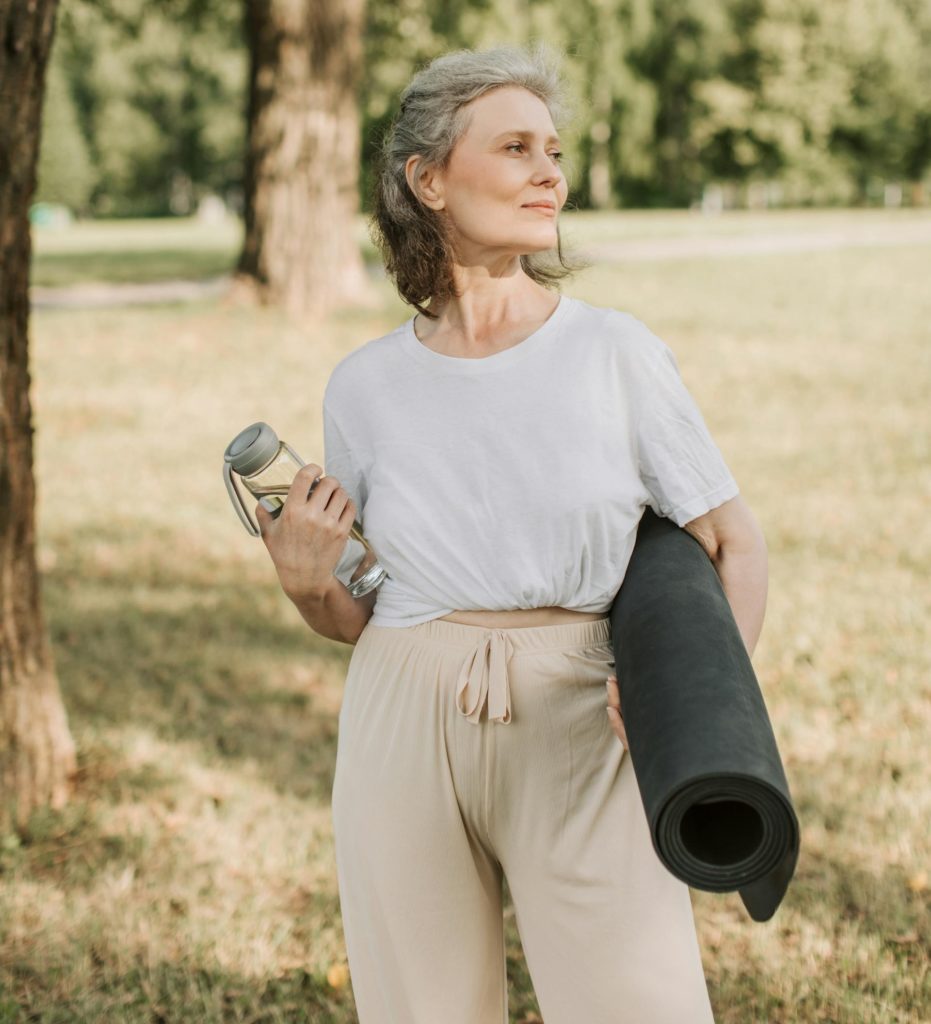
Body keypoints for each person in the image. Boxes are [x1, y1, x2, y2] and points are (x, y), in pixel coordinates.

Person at [256, 43, 768, 1024]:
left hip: (583, 710)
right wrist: (306, 580)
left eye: (554, 152)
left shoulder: (613, 353)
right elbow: (356, 613)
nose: (549, 175)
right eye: (516, 148)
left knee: (638, 1004)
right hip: (401, 704)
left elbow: (732, 540)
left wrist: (697, 711)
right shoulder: (364, 386)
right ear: (429, 180)